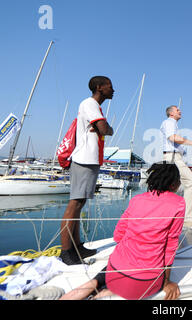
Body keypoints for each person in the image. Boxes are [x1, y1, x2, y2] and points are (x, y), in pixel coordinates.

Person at [60, 162, 183, 300]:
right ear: (173, 184)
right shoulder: (178, 203)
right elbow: (170, 246)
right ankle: (103, 294)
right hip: (144, 281)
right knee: (123, 286)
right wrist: (167, 282)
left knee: (97, 280)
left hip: (115, 269)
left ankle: (89, 288)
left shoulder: (136, 199)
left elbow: (118, 236)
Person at [59, 76, 114, 265]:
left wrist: (103, 129)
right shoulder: (89, 104)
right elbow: (105, 128)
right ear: (99, 88)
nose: (113, 90)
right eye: (109, 86)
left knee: (79, 203)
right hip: (84, 159)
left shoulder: (94, 107)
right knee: (75, 203)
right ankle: (66, 252)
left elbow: (103, 129)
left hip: (90, 160)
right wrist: (105, 128)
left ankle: (76, 247)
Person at [160, 105, 192, 227]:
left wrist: (183, 150)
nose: (180, 111)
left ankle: (167, 218)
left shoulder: (171, 124)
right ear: (171, 113)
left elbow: (173, 140)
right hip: (172, 157)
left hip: (173, 157)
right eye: (177, 109)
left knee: (171, 188)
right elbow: (172, 137)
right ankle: (189, 219)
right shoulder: (169, 122)